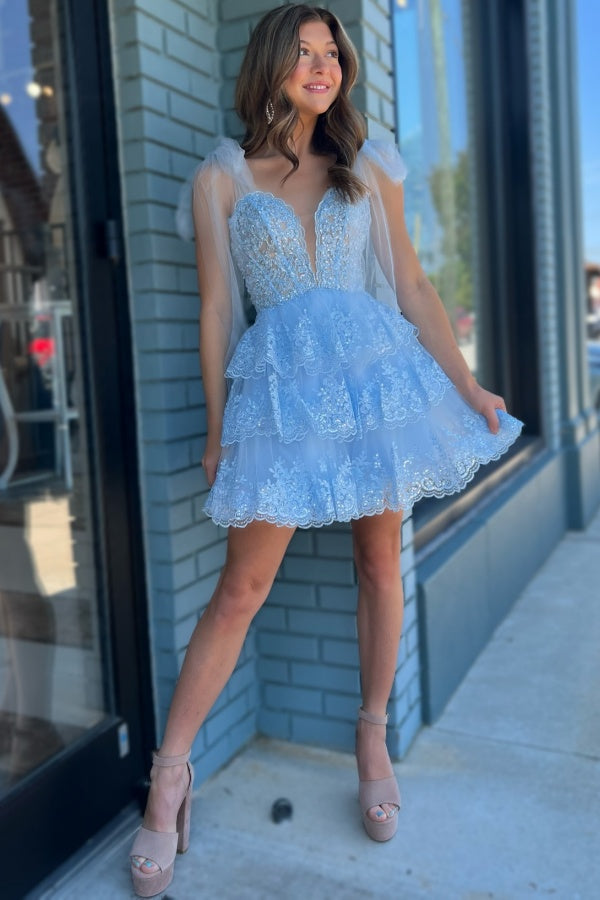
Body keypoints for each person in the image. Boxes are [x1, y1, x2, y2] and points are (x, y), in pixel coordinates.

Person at [130, 4, 523, 895]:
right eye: (303, 52)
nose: (322, 65)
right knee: (241, 589)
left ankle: (371, 736)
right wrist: (218, 429)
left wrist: (467, 387)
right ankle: (170, 775)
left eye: (332, 53)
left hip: (373, 386)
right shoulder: (223, 178)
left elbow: (412, 284)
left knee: (379, 561)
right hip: (279, 400)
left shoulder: (366, 163)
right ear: (270, 64)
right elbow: (216, 313)